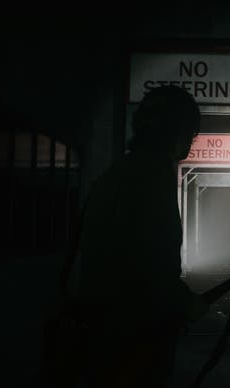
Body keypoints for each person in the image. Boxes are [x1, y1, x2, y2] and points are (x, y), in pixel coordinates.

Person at [76, 85, 209, 387]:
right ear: (177, 133)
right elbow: (148, 265)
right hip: (134, 342)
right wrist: (185, 303)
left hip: (105, 335)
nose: (190, 143)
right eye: (191, 133)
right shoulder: (152, 178)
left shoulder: (117, 175)